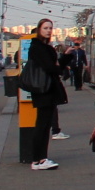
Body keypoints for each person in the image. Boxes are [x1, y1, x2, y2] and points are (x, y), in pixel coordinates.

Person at [27, 18, 67, 170]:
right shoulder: (38, 47)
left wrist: (62, 61)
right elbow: (50, 68)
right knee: (42, 125)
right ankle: (38, 159)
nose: (48, 30)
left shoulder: (43, 47)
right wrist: (60, 66)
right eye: (45, 28)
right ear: (39, 29)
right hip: (43, 89)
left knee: (44, 125)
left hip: (46, 89)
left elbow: (53, 66)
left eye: (50, 28)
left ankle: (40, 159)